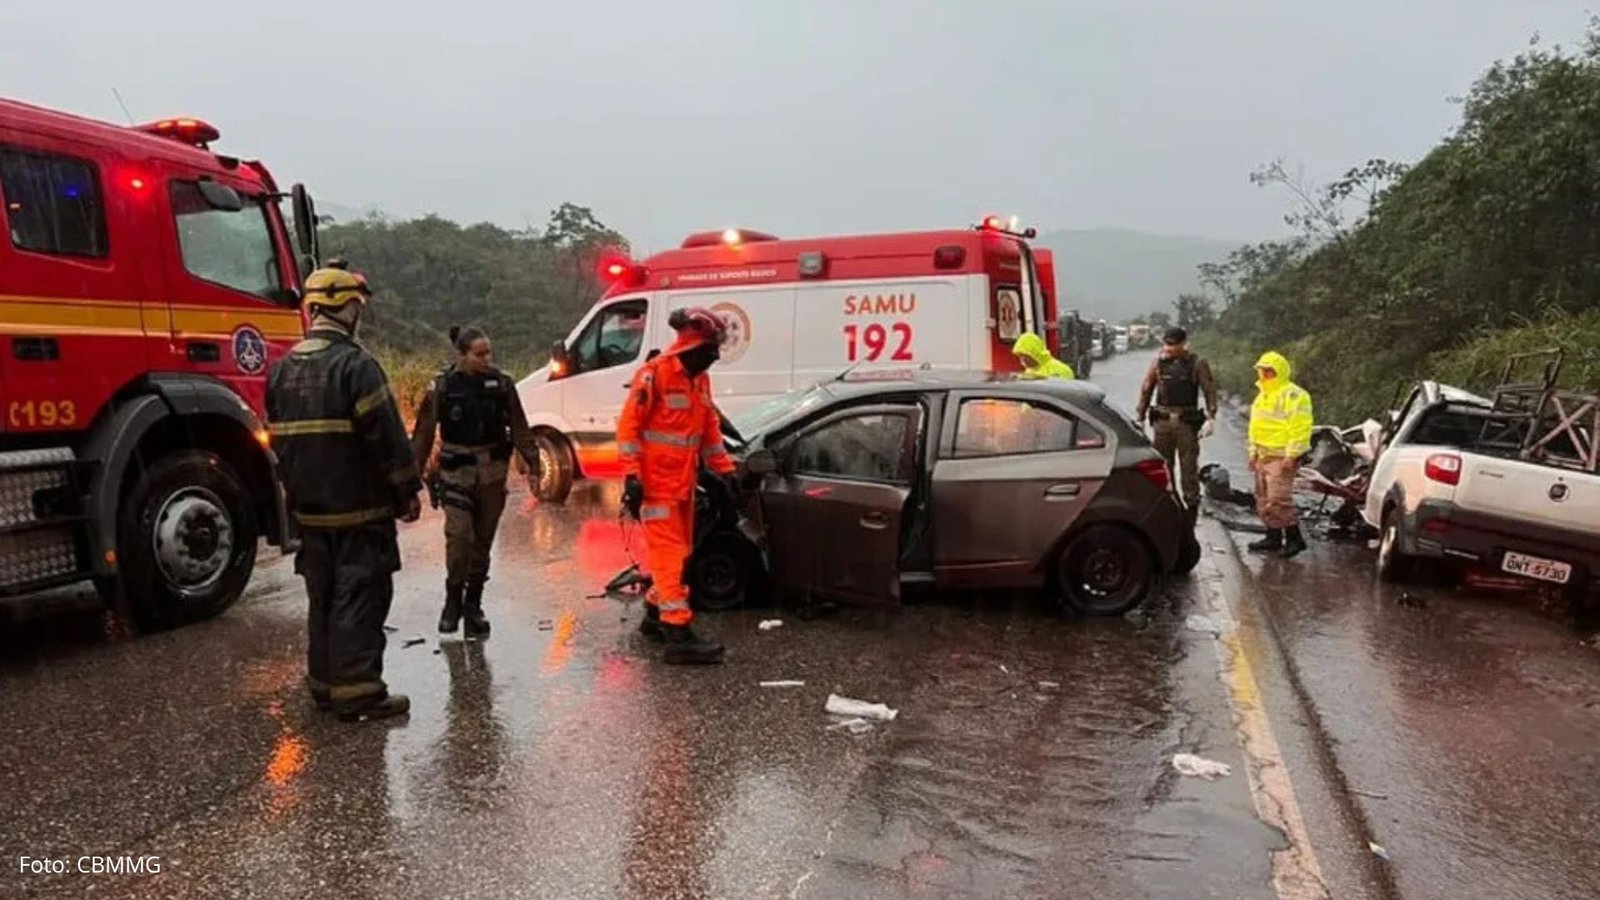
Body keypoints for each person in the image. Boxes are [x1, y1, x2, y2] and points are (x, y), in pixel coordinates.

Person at [266, 261, 423, 722]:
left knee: (323, 597)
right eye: (357, 304)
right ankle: (358, 690)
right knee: (359, 594)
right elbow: (386, 438)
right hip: (359, 511)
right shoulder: (357, 366)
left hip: (310, 514)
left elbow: (278, 443)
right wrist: (406, 491)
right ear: (347, 308)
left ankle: (324, 683)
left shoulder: (281, 372)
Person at [617, 307, 737, 664]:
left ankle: (654, 617)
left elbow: (709, 431)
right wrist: (632, 476)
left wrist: (725, 471)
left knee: (679, 556)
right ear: (692, 347)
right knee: (670, 559)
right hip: (655, 489)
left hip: (683, 486)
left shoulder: (699, 381)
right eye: (711, 349)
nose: (715, 357)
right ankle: (678, 635)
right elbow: (628, 429)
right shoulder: (655, 375)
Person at [411, 325, 542, 637]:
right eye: (479, 354)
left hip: (492, 475)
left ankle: (473, 606)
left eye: (489, 353)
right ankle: (452, 599)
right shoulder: (442, 387)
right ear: (462, 355)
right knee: (459, 538)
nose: (486, 359)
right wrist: (410, 480)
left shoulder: (502, 384)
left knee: (482, 544)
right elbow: (423, 436)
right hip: (456, 473)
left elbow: (521, 428)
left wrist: (534, 465)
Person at [1134, 327, 1219, 521]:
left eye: (1173, 345)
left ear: (1183, 344)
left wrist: (1211, 416)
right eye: (1167, 344)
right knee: (1163, 465)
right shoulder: (1158, 363)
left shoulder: (1197, 364)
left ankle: (1191, 506)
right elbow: (1147, 388)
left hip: (1186, 423)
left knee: (1188, 466)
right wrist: (1140, 415)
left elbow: (1209, 390)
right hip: (1162, 422)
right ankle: (1166, 501)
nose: (1169, 349)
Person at [1247, 350, 1314, 558]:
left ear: (1279, 371)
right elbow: (1255, 427)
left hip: (1281, 456)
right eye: (1262, 371)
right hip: (1263, 454)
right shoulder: (1263, 396)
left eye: (1269, 371)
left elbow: (1300, 426)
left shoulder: (1294, 395)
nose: (1265, 375)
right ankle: (1273, 536)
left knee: (1278, 499)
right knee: (1263, 498)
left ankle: (1295, 539)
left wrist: (1292, 455)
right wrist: (1253, 452)